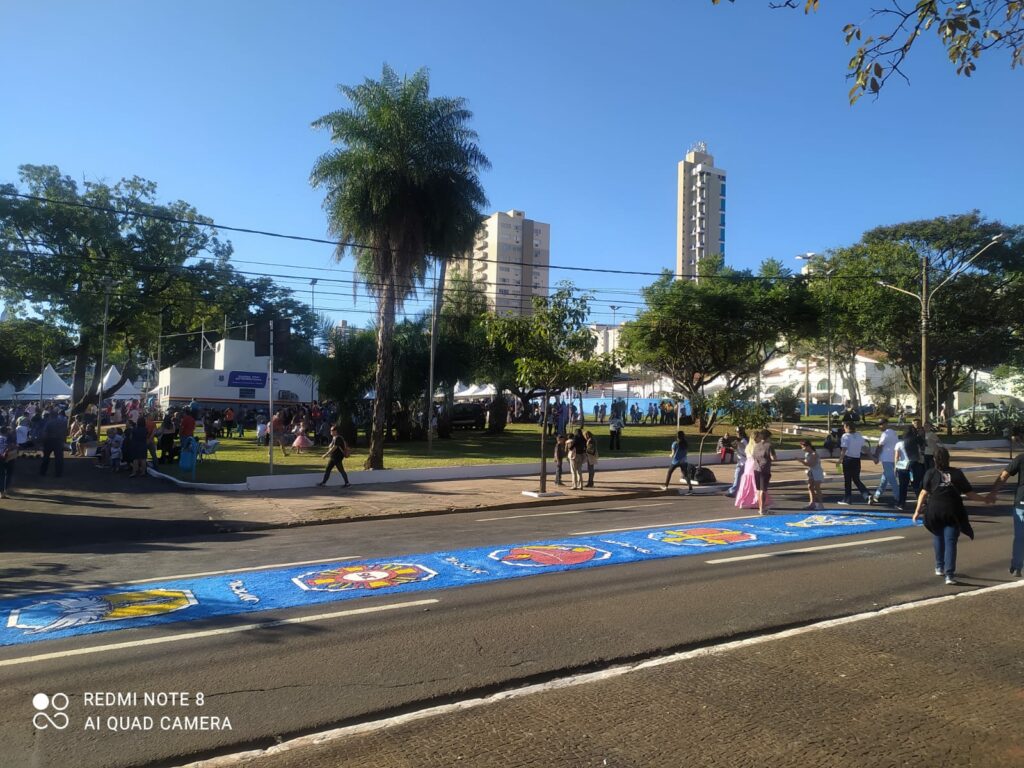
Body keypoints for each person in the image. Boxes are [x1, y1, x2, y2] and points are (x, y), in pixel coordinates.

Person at [913, 446, 993, 585]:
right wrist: (985, 499)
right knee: (951, 542)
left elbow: (923, 493)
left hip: (934, 511)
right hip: (953, 511)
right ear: (948, 459)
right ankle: (949, 575)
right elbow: (970, 494)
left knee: (938, 537)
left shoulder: (930, 473)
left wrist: (917, 511)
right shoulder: (957, 474)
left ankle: (939, 567)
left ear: (934, 459)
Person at [985, 428, 1024, 577]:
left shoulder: (1020, 458)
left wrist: (993, 492)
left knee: (1020, 536)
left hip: (1021, 503)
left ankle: (1017, 566)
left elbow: (1004, 475)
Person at [735, 432, 773, 510]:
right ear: (756, 438)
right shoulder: (756, 446)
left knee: (748, 485)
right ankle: (756, 502)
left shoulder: (748, 446)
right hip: (754, 466)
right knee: (756, 486)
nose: (761, 438)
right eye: (759, 437)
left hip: (748, 466)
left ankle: (745, 501)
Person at [837, 421, 870, 505]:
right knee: (856, 479)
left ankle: (847, 499)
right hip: (857, 459)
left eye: (844, 427)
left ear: (847, 427)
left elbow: (844, 449)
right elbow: (863, 448)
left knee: (847, 480)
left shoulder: (845, 436)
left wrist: (840, 459)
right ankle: (866, 494)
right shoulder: (859, 435)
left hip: (848, 459)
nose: (843, 429)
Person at [869, 417, 899, 507]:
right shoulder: (893, 432)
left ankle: (899, 497)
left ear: (886, 424)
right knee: (884, 479)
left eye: (881, 424)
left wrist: (875, 456)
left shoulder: (885, 434)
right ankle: (877, 495)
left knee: (891, 479)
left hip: (886, 459)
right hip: (892, 458)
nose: (880, 426)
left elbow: (879, 446)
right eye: (879, 425)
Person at [751, 429, 777, 515]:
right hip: (764, 469)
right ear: (768, 437)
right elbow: (773, 458)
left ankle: (760, 507)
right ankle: (762, 509)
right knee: (763, 490)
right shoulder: (769, 446)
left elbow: (753, 456)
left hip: (756, 469)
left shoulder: (756, 445)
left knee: (758, 490)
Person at [797, 438, 824, 510]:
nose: (802, 449)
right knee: (810, 487)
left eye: (803, 447)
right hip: (811, 472)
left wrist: (801, 461)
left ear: (808, 446)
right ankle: (812, 503)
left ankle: (820, 504)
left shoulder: (814, 454)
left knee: (817, 488)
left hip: (817, 472)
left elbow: (811, 464)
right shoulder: (807, 454)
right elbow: (808, 464)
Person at [39, 412, 67, 478]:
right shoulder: (62, 422)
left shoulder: (49, 422)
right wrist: (63, 441)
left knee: (46, 457)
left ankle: (43, 472)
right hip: (59, 441)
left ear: (51, 416)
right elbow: (65, 432)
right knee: (59, 458)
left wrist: (43, 442)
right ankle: (58, 473)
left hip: (49, 441)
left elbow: (45, 433)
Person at [725, 427, 748, 497]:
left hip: (743, 462)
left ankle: (734, 491)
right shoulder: (741, 440)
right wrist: (734, 448)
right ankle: (736, 490)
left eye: (737, 432)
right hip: (741, 461)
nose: (736, 434)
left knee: (737, 476)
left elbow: (745, 449)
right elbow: (739, 449)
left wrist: (737, 444)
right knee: (738, 476)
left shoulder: (744, 440)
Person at [0, 425, 16, 499]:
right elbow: (10, 446)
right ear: (6, 431)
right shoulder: (8, 438)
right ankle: (4, 491)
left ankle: (2, 492)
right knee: (6, 474)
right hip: (6, 457)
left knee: (2, 475)